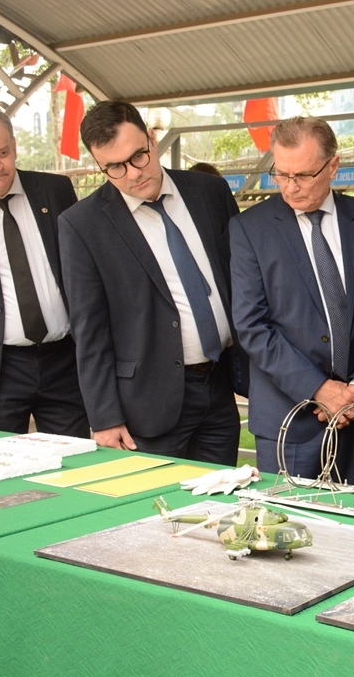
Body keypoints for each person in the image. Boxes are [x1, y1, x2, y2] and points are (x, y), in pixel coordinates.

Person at [59, 101, 241, 464]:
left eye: (138, 156)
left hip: (223, 387)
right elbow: (89, 328)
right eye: (114, 167)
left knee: (221, 501)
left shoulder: (208, 192)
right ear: (100, 165)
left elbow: (241, 280)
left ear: (152, 139)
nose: (132, 174)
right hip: (147, 401)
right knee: (153, 515)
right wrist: (104, 416)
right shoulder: (82, 224)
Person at [230, 117, 354, 481]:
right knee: (289, 530)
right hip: (290, 421)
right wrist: (318, 389)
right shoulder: (250, 229)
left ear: (333, 166)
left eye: (302, 176)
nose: (290, 188)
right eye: (281, 174)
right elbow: (252, 326)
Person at [0, 106, 88, 436]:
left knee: (74, 469)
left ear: (14, 144)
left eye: (3, 152)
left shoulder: (55, 192)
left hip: (65, 363)